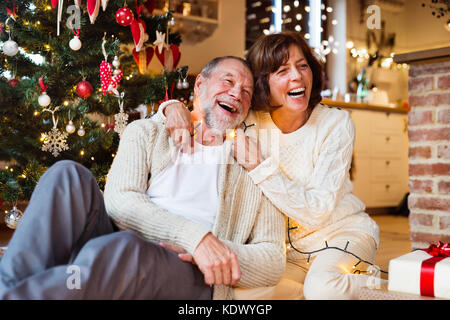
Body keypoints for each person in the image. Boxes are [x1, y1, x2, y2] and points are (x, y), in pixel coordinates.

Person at [0, 56, 286, 300]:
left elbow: (273, 259)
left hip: (189, 271)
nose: (237, 93)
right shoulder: (147, 132)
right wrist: (195, 238)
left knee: (125, 250)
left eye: (246, 92)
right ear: (200, 85)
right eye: (228, 81)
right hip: (124, 241)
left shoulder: (252, 164)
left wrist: (212, 252)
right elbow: (119, 202)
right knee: (67, 175)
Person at [155, 32, 380, 300]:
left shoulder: (336, 124)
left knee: (324, 289)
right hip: (284, 253)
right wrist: (170, 108)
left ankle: (381, 287)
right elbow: (204, 116)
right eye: (282, 70)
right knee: (241, 294)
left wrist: (259, 166)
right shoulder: (249, 119)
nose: (296, 76)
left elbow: (317, 212)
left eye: (302, 65)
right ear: (263, 82)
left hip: (342, 234)